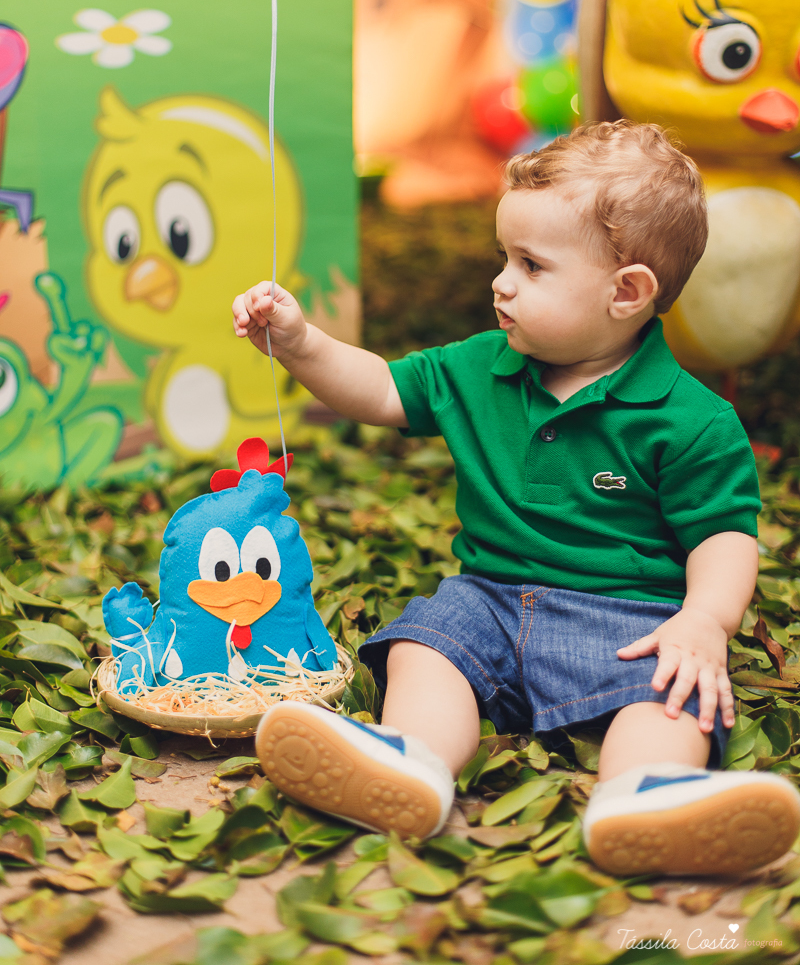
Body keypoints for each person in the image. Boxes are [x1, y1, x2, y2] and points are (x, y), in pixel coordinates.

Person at [232, 121, 800, 876]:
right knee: (426, 648)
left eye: (531, 265)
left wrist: (704, 619)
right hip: (489, 600)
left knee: (669, 696)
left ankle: (646, 794)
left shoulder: (692, 419)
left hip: (628, 621)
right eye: (505, 257)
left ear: (627, 292)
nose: (501, 282)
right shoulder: (480, 366)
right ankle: (412, 763)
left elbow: (722, 535)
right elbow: (380, 389)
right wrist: (303, 344)